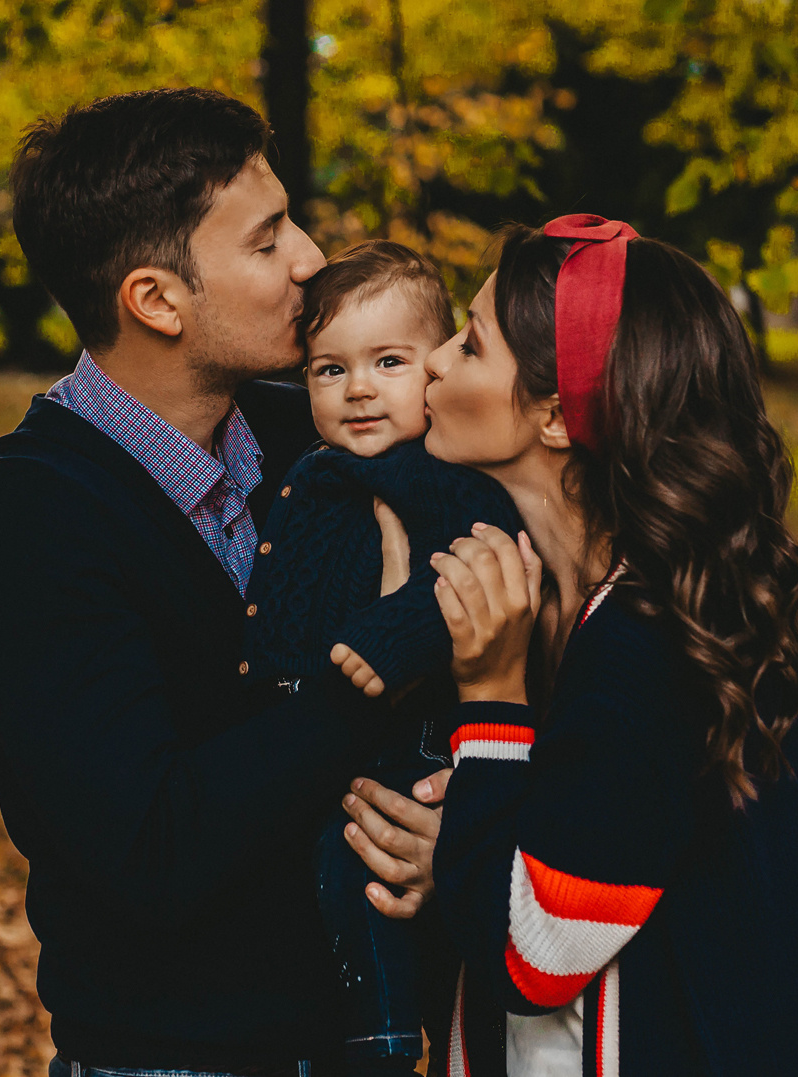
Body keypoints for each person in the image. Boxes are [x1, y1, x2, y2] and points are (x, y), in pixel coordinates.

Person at [0, 89, 496, 1076]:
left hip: (376, 1037)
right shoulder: (26, 519)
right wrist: (370, 671)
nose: (310, 258)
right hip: (177, 1057)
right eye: (268, 239)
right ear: (156, 301)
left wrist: (455, 822)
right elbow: (150, 850)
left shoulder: (316, 438)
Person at [419, 216, 798, 1075]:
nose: (432, 360)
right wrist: (452, 847)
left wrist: (491, 697)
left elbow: (532, 958)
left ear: (552, 415)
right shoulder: (586, 604)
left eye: (468, 344)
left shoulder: (645, 648)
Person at [243, 241, 527, 1073]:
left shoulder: (437, 472)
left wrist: (397, 632)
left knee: (360, 868)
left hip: (409, 735)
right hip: (327, 728)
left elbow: (476, 555)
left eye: (388, 362)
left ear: (433, 370)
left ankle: (386, 1039)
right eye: (329, 370)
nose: (358, 388)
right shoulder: (314, 465)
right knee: (324, 877)